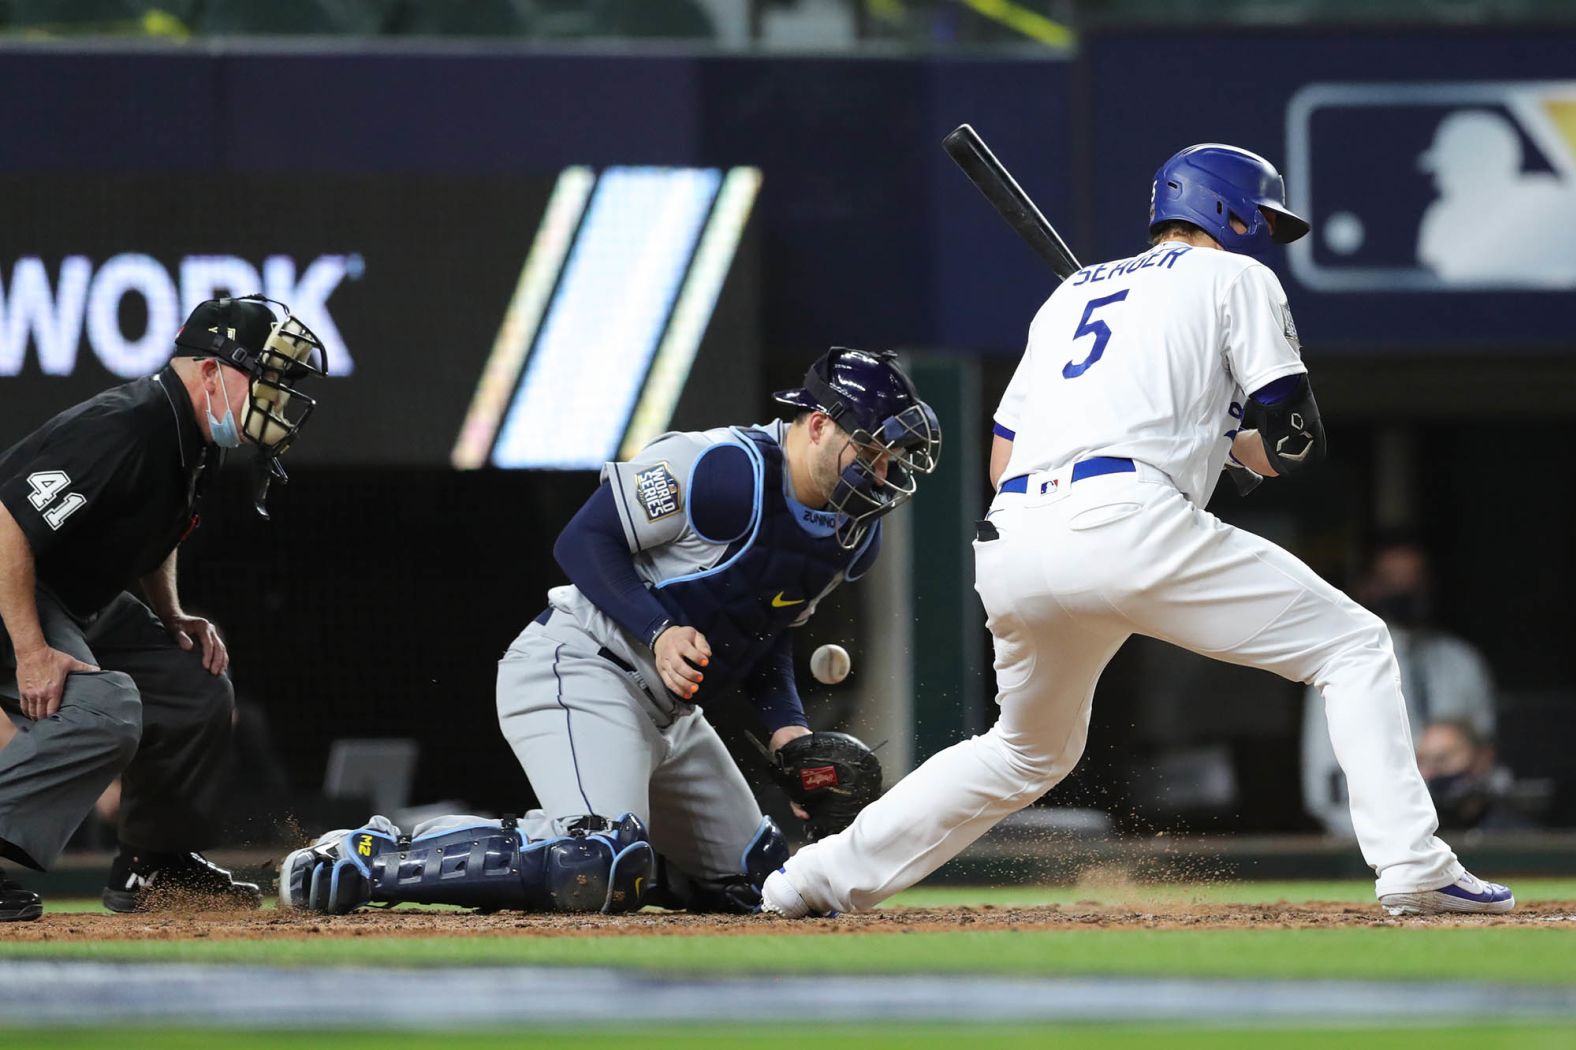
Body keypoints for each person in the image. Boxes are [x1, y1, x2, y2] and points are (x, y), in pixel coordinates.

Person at [762, 144, 1514, 920]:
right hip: (1129, 522)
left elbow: (1000, 460)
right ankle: (1415, 865)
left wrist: (1209, 443)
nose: (1264, 237)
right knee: (1354, 646)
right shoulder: (1237, 278)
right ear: (1227, 209)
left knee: (1026, 750)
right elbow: (1295, 437)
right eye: (1260, 218)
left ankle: (809, 879)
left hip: (1017, 538)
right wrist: (1237, 450)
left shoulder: (1068, 299)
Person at [281, 348, 939, 915]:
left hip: (671, 716)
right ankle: (365, 856)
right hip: (582, 663)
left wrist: (789, 734)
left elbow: (764, 636)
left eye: (889, 459)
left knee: (766, 885)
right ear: (820, 425)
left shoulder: (853, 537)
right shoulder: (722, 470)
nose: (881, 473)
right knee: (589, 863)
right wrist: (659, 630)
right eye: (872, 452)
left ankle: (623, 861)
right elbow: (585, 538)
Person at [0, 294, 327, 922]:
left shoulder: (193, 435)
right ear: (210, 370)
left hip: (69, 593)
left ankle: (155, 862)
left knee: (191, 685)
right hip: (11, 578)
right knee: (104, 707)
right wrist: (31, 650)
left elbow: (156, 532)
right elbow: (8, 522)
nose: (277, 398)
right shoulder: (125, 424)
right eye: (266, 377)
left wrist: (171, 614)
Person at [1302, 538, 1497, 836]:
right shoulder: (1341, 665)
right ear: (1368, 587)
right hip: (1371, 842)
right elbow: (1325, 785)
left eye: (1414, 580)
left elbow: (1486, 761)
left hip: (1465, 834)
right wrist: (1375, 846)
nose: (1404, 590)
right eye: (1392, 581)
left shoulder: (1462, 661)